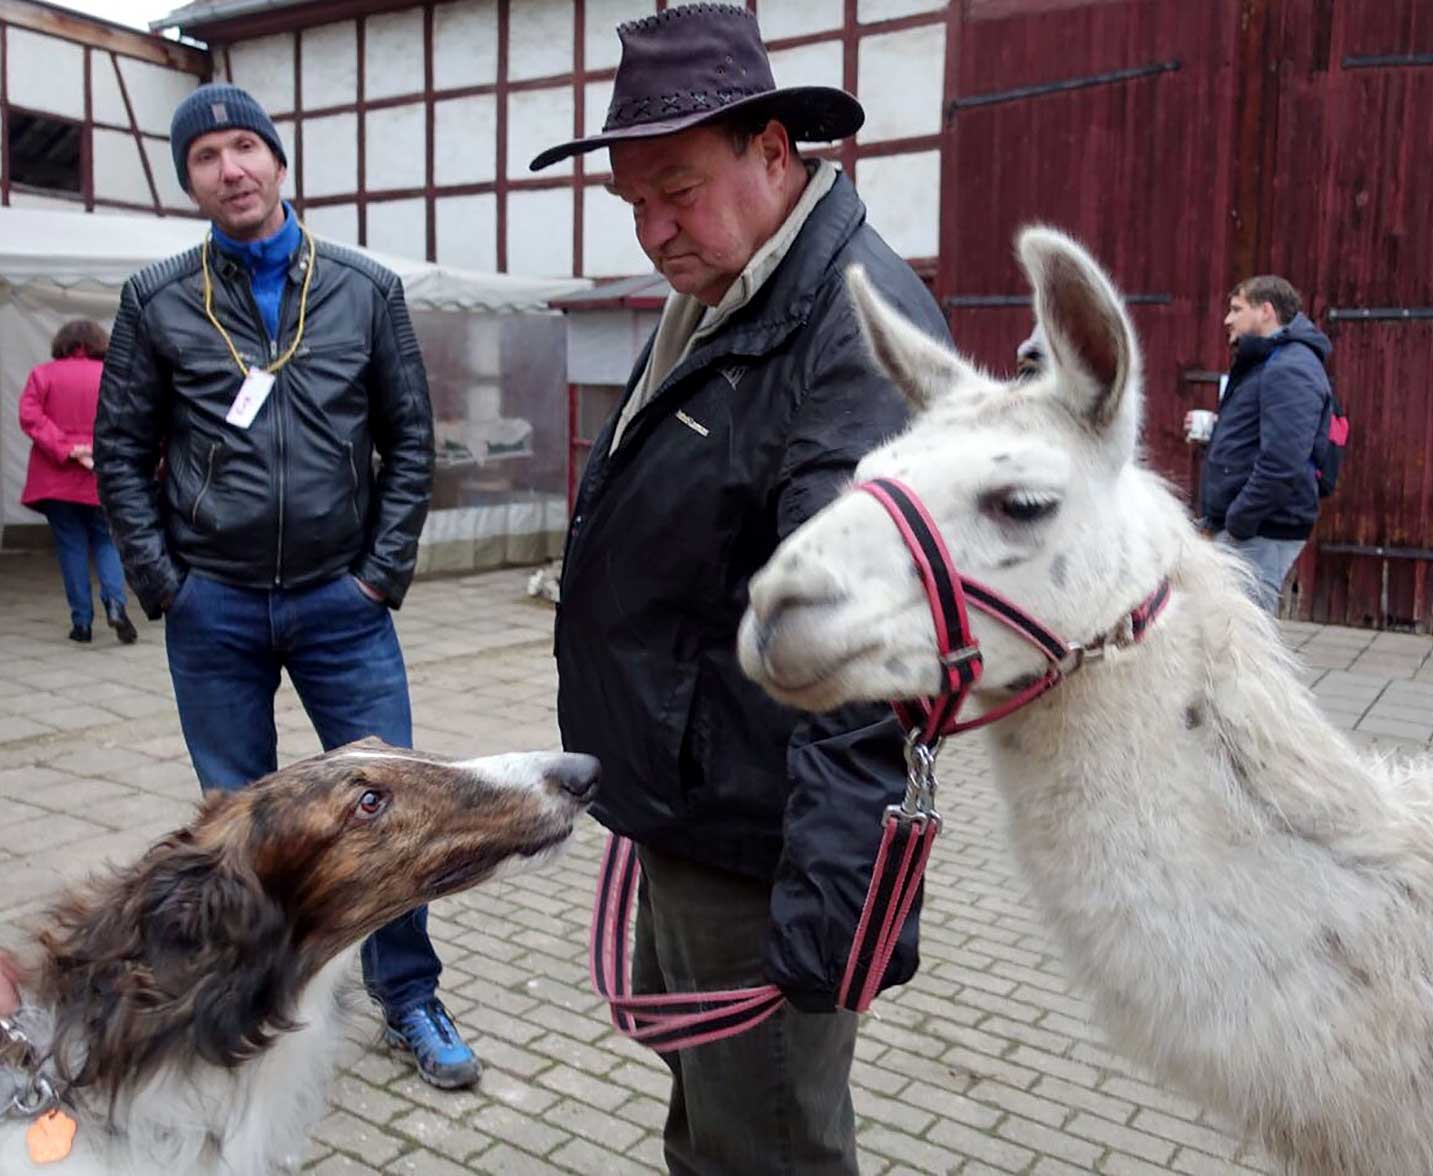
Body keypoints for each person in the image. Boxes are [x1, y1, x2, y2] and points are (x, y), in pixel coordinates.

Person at [531, 7, 950, 1172]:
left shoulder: (847, 332)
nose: (653, 230)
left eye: (676, 191)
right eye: (633, 204)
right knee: (713, 1116)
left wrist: (822, 917)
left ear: (775, 151)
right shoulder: (732, 288)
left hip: (761, 847)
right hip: (696, 802)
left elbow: (862, 659)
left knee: (767, 1136)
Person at [93, 84, 478, 1089]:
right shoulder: (156, 299)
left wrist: (378, 578)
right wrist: (163, 581)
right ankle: (249, 1004)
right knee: (233, 823)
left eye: (244, 148)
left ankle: (411, 997)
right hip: (211, 605)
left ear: (278, 161)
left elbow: (410, 445)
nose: (231, 169)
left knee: (392, 807)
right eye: (206, 156)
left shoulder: (364, 290)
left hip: (338, 606)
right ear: (189, 180)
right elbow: (121, 451)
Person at [1198, 275, 1333, 614]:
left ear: (1266, 311)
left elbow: (1283, 462)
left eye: (1236, 309)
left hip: (1263, 528)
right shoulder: (1267, 363)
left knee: (1245, 635)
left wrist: (1239, 521)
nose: (1228, 319)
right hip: (1247, 523)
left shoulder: (1290, 367)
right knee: (1228, 629)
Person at [19, 321, 137, 645]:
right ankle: (115, 604)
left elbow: (30, 417)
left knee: (71, 546)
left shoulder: (42, 375)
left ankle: (81, 623)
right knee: (108, 541)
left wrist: (67, 448)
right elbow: (127, 420)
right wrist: (96, 449)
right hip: (102, 475)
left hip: (55, 476)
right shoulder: (113, 376)